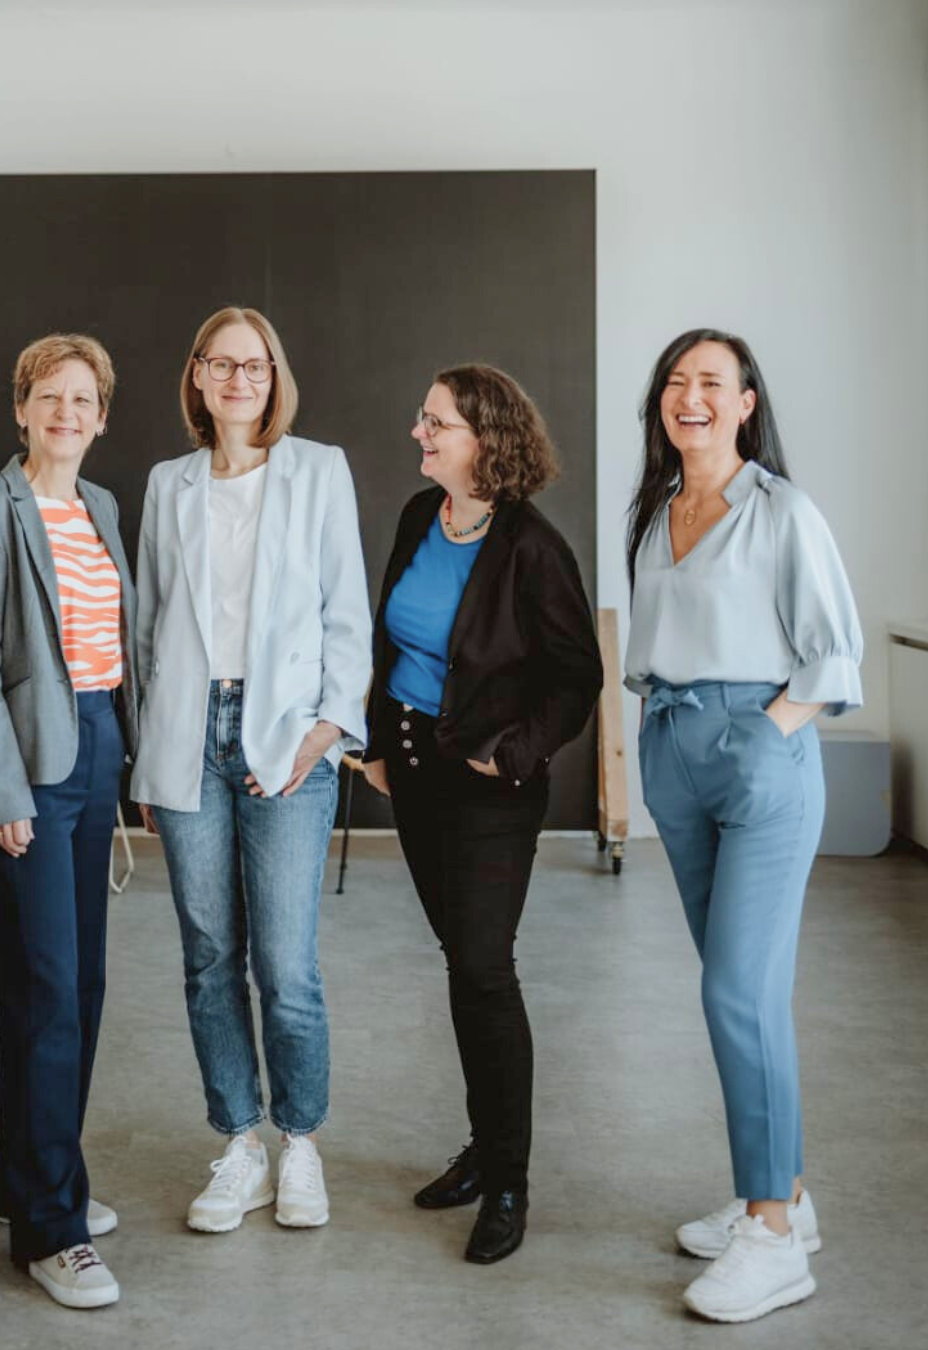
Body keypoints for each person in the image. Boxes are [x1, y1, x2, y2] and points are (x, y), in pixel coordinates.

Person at [624, 328, 863, 1323]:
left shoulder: (781, 511)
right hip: (675, 754)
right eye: (677, 382)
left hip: (759, 751)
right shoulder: (659, 510)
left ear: (747, 403)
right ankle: (786, 1195)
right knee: (741, 994)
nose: (692, 397)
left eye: (713, 383)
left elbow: (834, 652)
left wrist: (766, 736)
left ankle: (771, 1236)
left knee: (738, 994)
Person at [131, 306, 371, 1234]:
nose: (240, 380)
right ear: (197, 375)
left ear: (276, 377)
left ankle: (300, 1141)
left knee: (286, 963)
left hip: (287, 738)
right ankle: (239, 1143)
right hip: (187, 737)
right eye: (223, 364)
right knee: (208, 957)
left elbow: (345, 612)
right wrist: (151, 756)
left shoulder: (318, 470)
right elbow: (150, 625)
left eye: (256, 365)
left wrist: (327, 730)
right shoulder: (170, 484)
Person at [362, 364, 603, 1264]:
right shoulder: (420, 517)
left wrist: (512, 752)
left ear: (486, 440)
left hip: (488, 787)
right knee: (464, 967)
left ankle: (508, 1181)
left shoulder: (533, 547)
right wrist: (380, 744)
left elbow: (577, 676)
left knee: (484, 968)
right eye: (422, 419)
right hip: (414, 770)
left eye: (437, 424)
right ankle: (484, 1145)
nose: (419, 434)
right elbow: (391, 643)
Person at [0, 333, 138, 1309]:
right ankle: (54, 1231)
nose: (67, 412)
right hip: (29, 766)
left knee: (77, 984)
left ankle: (32, 1180)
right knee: (48, 986)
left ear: (102, 417)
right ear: (21, 409)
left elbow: (113, 642)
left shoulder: (101, 506)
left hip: (97, 749)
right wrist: (3, 789)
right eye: (49, 396)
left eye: (83, 399)